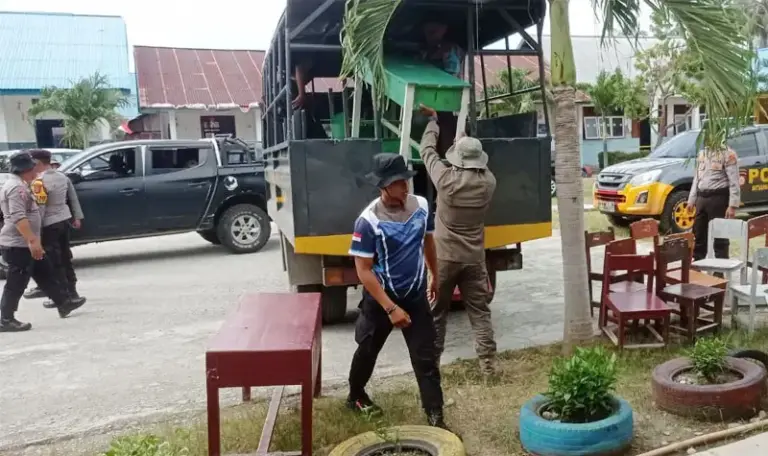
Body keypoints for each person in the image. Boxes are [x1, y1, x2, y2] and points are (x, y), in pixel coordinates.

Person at [347, 153, 448, 429]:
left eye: (406, 180)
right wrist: (390, 308)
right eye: (398, 183)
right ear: (383, 187)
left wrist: (434, 275)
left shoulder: (422, 207)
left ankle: (436, 418)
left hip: (415, 296)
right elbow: (363, 271)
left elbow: (428, 242)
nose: (405, 187)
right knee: (367, 349)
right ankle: (355, 396)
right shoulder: (367, 222)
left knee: (425, 357)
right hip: (381, 299)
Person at [417, 104, 499, 376]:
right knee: (480, 313)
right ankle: (488, 365)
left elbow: (427, 151)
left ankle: (433, 365)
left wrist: (434, 123)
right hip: (474, 258)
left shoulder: (445, 181)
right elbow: (471, 165)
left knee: (437, 314)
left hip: (444, 259)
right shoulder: (488, 182)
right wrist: (461, 137)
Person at [0, 151, 85, 332]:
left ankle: (64, 302)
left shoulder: (21, 184)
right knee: (17, 281)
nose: (36, 171)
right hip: (18, 244)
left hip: (27, 242)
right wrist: (32, 240)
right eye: (33, 168)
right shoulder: (17, 188)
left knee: (45, 272)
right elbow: (18, 217)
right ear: (25, 170)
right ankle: (6, 318)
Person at [28, 149, 85, 309]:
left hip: (48, 224)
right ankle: (73, 291)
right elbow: (72, 198)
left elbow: (40, 208)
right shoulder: (62, 176)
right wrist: (77, 217)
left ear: (38, 163)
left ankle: (63, 296)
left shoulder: (38, 182)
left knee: (54, 261)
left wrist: (34, 232)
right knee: (66, 257)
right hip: (64, 220)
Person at [687, 146, 741, 260]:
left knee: (720, 236)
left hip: (719, 198)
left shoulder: (728, 154)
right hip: (701, 198)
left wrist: (732, 206)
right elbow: (697, 178)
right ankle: (698, 263)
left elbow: (734, 181)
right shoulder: (703, 153)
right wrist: (691, 200)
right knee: (699, 234)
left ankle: (720, 269)